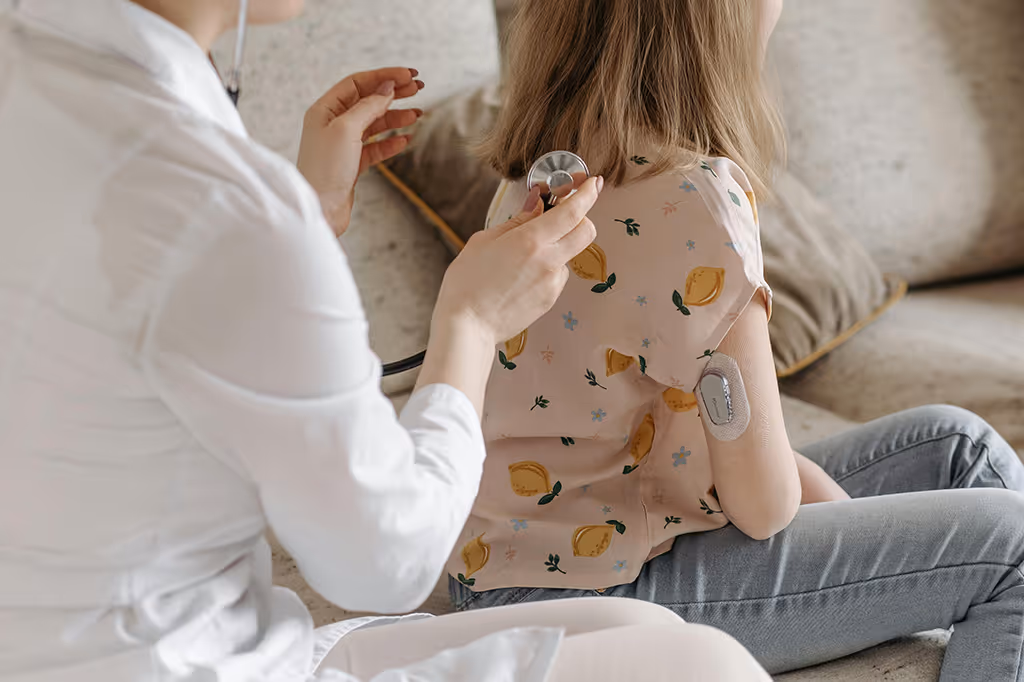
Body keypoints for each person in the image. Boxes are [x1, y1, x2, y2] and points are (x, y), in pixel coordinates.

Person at [0, 0, 772, 680]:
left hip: (92, 640)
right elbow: (383, 564)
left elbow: (141, 316)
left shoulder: (38, 72)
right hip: (173, 659)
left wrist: (306, 214)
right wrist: (468, 324)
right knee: (704, 664)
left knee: (644, 629)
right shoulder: (221, 203)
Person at [447, 1, 1024, 680]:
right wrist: (828, 516)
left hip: (501, 564)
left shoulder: (544, 174)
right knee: (1014, 546)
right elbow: (763, 506)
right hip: (585, 592)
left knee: (957, 446)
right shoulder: (698, 201)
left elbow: (645, 412)